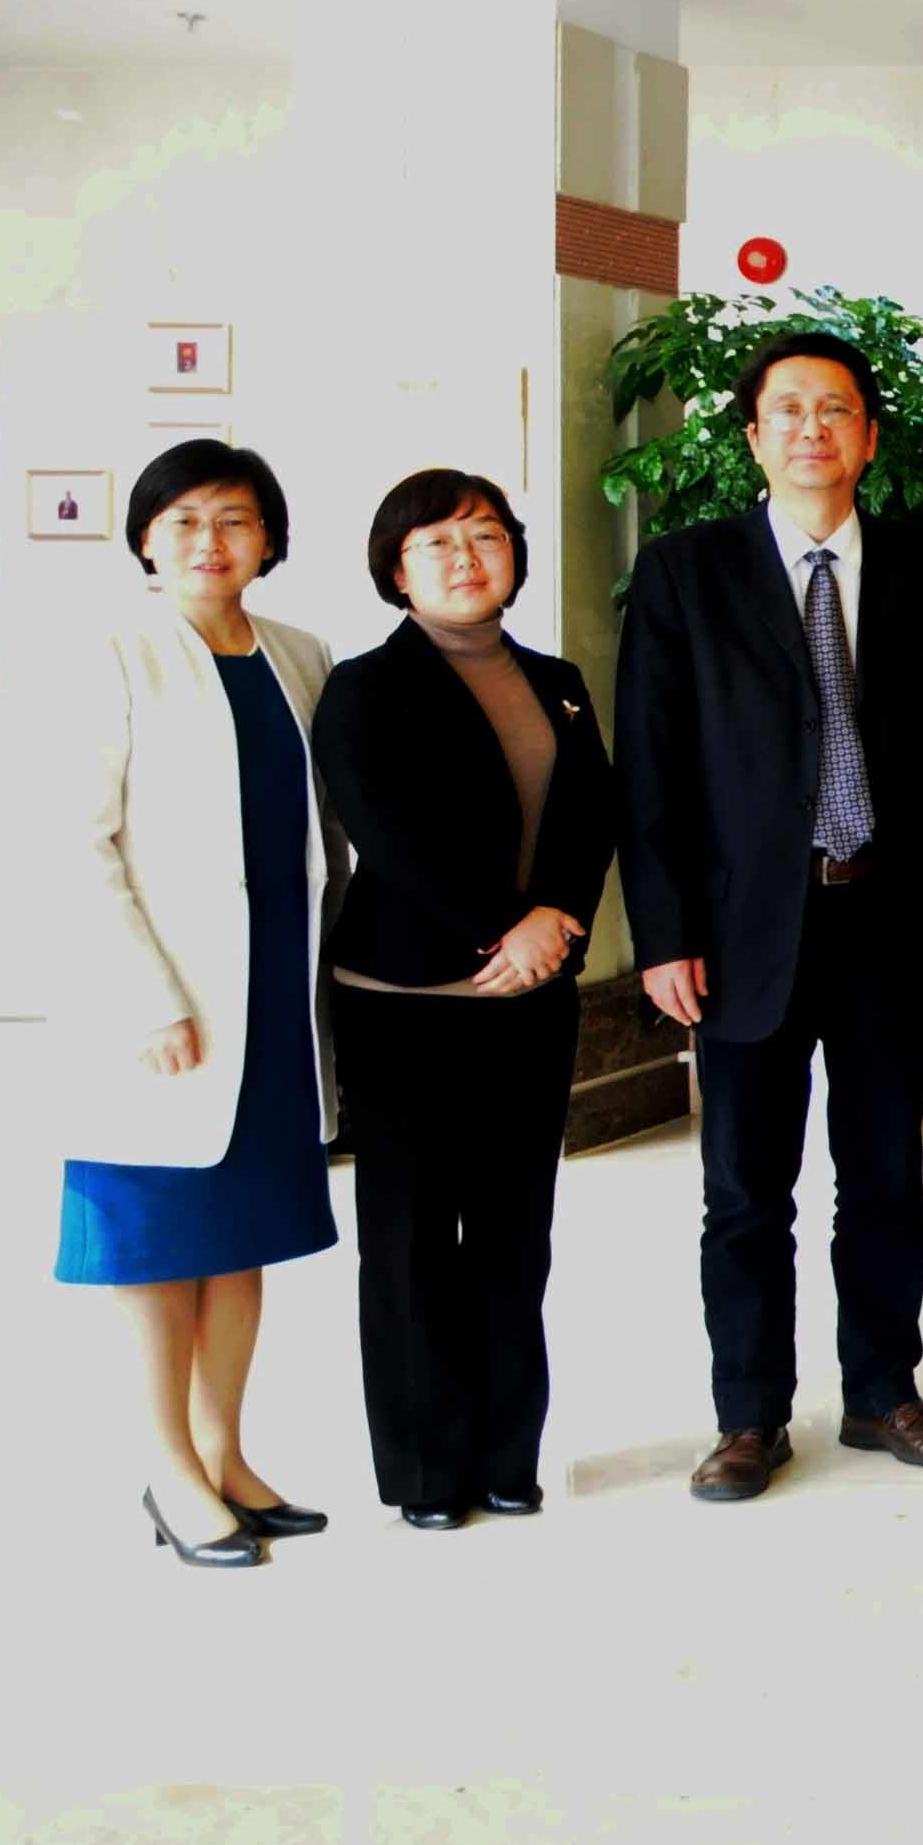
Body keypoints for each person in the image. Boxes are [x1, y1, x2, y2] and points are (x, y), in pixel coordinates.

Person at [616, 329, 923, 1502]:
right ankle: (748, 1415)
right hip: (741, 933)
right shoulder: (686, 572)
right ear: (752, 436)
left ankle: (884, 1391)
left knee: (885, 1178)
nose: (812, 428)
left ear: (869, 437)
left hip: (886, 917)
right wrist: (664, 933)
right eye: (788, 409)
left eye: (835, 409)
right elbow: (651, 766)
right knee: (744, 1191)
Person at [312, 470, 618, 1531]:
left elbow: (591, 815)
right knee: (408, 1241)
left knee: (512, 1232)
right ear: (396, 571)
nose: (465, 556)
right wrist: (505, 926)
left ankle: (504, 1454)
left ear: (514, 555)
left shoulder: (557, 680)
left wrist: (559, 921)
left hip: (528, 998)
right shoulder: (362, 688)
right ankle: (423, 1471)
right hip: (403, 999)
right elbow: (388, 835)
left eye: (485, 535)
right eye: (436, 542)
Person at [60, 442, 343, 1569]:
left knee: (243, 1236)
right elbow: (71, 844)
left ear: (269, 538)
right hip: (159, 1002)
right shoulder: (111, 651)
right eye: (181, 520)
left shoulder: (300, 653)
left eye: (233, 519)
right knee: (156, 1240)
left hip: (275, 990)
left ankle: (226, 1454)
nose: (209, 541)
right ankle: (168, 1468)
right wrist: (147, 997)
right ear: (145, 538)